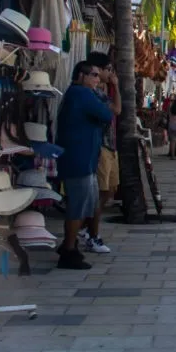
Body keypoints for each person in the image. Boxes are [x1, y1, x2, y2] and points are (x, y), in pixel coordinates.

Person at [55, 61, 113, 270]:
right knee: (78, 207)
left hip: (82, 158)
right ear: (81, 75)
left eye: (99, 75)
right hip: (78, 159)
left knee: (82, 204)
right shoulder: (82, 93)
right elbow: (107, 114)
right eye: (94, 75)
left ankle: (69, 245)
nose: (98, 80)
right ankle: (69, 251)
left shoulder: (78, 94)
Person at [79, 52, 120, 255]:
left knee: (109, 190)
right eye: (108, 70)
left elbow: (116, 109)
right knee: (97, 194)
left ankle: (86, 227)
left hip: (109, 145)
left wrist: (115, 87)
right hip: (99, 146)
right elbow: (113, 111)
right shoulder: (89, 93)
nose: (108, 74)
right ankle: (87, 231)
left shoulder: (100, 92)